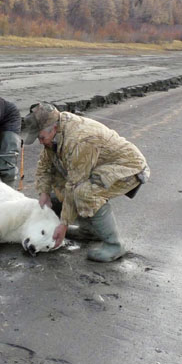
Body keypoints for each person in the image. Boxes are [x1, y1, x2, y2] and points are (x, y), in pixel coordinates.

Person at [22, 103, 150, 262]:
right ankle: (91, 232)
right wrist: (44, 193)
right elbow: (45, 165)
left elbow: (75, 183)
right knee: (58, 192)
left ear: (53, 128)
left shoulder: (79, 139)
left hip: (128, 167)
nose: (40, 142)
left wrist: (63, 224)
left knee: (84, 193)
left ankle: (114, 245)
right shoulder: (55, 132)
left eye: (41, 137)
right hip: (98, 165)